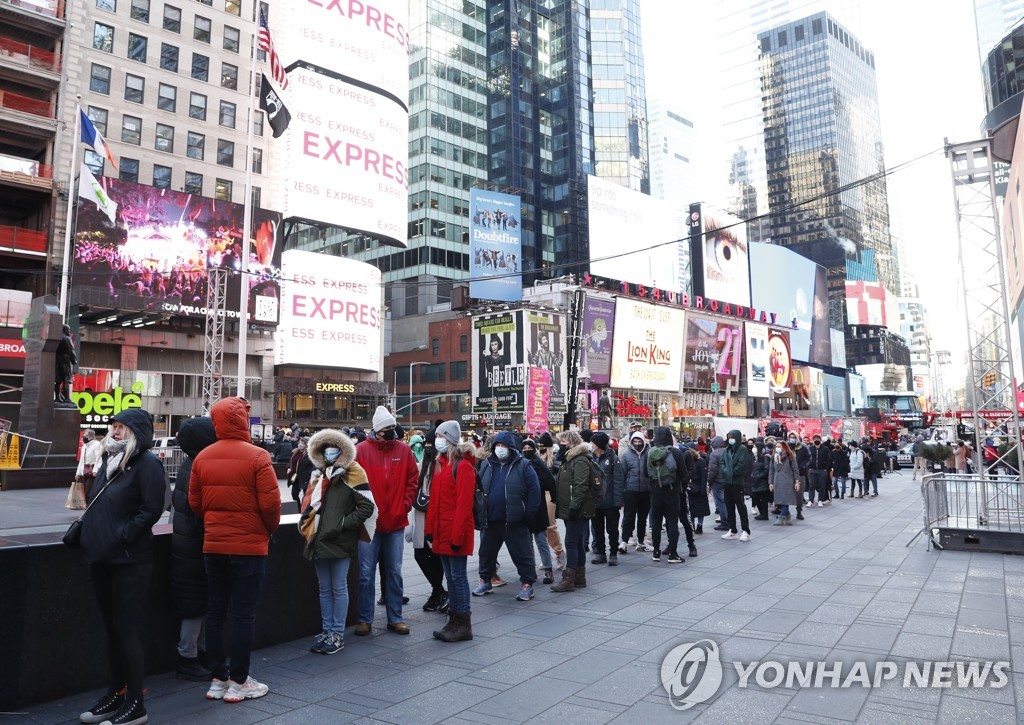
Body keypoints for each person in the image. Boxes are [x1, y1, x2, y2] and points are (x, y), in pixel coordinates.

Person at [189, 397, 281, 703]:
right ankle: (240, 681)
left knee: (215, 612)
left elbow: (195, 503)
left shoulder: (202, 457)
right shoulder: (258, 456)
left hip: (213, 545)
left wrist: (215, 524)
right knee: (243, 615)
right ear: (243, 420)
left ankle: (218, 679)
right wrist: (265, 530)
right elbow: (270, 505)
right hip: (250, 547)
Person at [77, 410, 166, 725]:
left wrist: (121, 536)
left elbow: (153, 509)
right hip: (102, 556)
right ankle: (115, 694)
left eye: (122, 427)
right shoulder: (109, 461)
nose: (115, 431)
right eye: (113, 426)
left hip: (130, 559)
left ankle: (135, 703)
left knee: (126, 630)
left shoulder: (147, 464)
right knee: (112, 630)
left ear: (137, 432)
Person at [301, 429, 375, 655]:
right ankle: (327, 631)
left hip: (340, 539)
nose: (329, 452)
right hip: (319, 539)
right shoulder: (319, 474)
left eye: (334, 448)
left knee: (338, 586)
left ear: (343, 450)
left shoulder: (354, 471)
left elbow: (367, 506)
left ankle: (337, 634)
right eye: (326, 449)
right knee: (325, 588)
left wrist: (341, 524)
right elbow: (310, 505)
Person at [354, 406, 419, 636]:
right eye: (388, 428)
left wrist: (405, 505)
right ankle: (364, 618)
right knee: (365, 573)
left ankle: (395, 617)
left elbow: (413, 480)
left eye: (394, 427)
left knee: (394, 571)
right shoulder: (360, 451)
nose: (393, 431)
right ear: (377, 429)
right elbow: (352, 484)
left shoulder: (404, 450)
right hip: (369, 524)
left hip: (395, 522)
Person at [171, 417, 217, 683]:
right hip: (194, 547)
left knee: (199, 603)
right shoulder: (199, 467)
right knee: (195, 605)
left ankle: (197, 653)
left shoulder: (190, 463)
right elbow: (199, 510)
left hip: (187, 545)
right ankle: (187, 657)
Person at [472, 431, 541, 601]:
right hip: (491, 519)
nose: (500, 449)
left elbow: (534, 490)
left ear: (510, 447)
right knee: (486, 553)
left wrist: (528, 514)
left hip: (515, 520)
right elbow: (478, 489)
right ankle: (486, 580)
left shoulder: (523, 465)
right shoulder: (486, 465)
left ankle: (527, 584)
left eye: (503, 446)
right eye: (497, 446)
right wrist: (478, 511)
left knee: (522, 553)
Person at [427, 420, 478, 642]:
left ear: (448, 439)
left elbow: (464, 506)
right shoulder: (442, 464)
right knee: (451, 576)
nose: (436, 439)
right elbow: (435, 502)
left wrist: (457, 536)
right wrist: (430, 530)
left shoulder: (462, 466)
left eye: (439, 436)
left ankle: (462, 621)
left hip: (454, 532)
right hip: (442, 531)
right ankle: (454, 620)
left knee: (458, 577)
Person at [408, 432, 449, 612]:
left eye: (432, 443)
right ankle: (438, 590)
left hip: (437, 516)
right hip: (420, 514)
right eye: (427, 443)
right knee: (421, 554)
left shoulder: (444, 465)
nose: (428, 447)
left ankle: (438, 592)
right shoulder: (420, 465)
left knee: (436, 554)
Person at [551, 430, 595, 591]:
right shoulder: (569, 459)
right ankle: (579, 577)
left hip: (578, 508)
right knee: (576, 543)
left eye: (562, 441)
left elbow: (580, 485)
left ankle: (569, 579)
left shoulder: (579, 460)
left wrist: (574, 506)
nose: (560, 444)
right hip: (571, 507)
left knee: (570, 542)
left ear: (570, 443)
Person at [645, 426, 693, 563]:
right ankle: (673, 553)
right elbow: (683, 474)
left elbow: (645, 473)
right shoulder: (676, 453)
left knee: (656, 523)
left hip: (655, 492)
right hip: (672, 492)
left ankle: (656, 552)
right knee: (672, 522)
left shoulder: (650, 452)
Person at [521, 437, 558, 583]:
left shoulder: (538, 464)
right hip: (524, 506)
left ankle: (548, 569)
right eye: (524, 449)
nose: (526, 451)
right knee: (527, 541)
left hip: (538, 505)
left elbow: (549, 482)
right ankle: (530, 569)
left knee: (540, 539)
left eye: (529, 448)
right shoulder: (520, 464)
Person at [589, 432, 625, 566]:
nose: (591, 445)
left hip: (610, 501)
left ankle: (613, 553)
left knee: (612, 529)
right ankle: (601, 553)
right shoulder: (590, 458)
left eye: (593, 443)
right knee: (597, 529)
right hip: (595, 501)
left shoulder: (613, 458)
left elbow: (618, 480)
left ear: (599, 445)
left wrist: (617, 501)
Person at [534, 433, 566, 571]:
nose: (541, 449)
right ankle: (548, 556)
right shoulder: (534, 458)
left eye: (543, 446)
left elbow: (558, 478)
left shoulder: (555, 459)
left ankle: (559, 552)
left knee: (549, 526)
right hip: (537, 493)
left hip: (550, 493)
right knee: (539, 528)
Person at [717, 429, 752, 542]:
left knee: (741, 506)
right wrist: (726, 471)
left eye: (732, 437)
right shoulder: (727, 450)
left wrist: (730, 472)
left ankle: (745, 531)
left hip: (737, 482)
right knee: (729, 506)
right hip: (727, 482)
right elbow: (722, 462)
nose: (730, 439)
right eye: (729, 437)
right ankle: (732, 530)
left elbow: (741, 465)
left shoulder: (742, 449)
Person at [619, 431, 651, 552]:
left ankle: (641, 541)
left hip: (645, 490)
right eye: (635, 441)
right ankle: (624, 541)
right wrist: (623, 490)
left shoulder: (649, 453)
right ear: (631, 442)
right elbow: (623, 473)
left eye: (639, 441)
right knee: (628, 517)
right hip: (630, 490)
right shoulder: (626, 455)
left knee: (642, 518)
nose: (637, 443)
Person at [769, 440, 801, 525]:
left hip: (787, 481)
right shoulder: (774, 456)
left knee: (785, 500)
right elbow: (771, 470)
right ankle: (787, 517)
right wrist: (770, 482)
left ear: (784, 447)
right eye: (776, 446)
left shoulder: (790, 456)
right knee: (780, 500)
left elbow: (795, 469)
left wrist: (797, 481)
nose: (777, 448)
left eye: (779, 446)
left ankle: (782, 517)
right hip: (777, 481)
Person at [687, 445, 711, 534]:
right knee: (692, 508)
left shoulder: (700, 462)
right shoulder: (692, 462)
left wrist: (703, 489)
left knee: (700, 509)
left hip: (698, 488)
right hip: (691, 489)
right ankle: (693, 525)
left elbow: (704, 476)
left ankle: (699, 526)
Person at [706, 435, 729, 530]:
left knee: (720, 502)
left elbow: (713, 470)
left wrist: (709, 482)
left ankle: (725, 522)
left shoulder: (714, 454)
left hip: (717, 481)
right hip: (727, 480)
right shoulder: (728, 451)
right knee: (727, 501)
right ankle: (729, 521)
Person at [76, 428, 103, 498]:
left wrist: (95, 470)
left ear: (91, 436)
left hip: (92, 470)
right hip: (84, 470)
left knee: (87, 491)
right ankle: (86, 505)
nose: (83, 437)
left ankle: (88, 506)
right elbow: (81, 460)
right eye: (83, 435)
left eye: (85, 435)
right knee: (84, 490)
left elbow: (99, 458)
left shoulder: (97, 444)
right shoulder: (84, 446)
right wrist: (78, 473)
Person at [749, 439, 771, 520]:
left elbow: (766, 469)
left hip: (762, 481)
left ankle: (764, 514)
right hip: (756, 481)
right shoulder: (756, 457)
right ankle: (762, 513)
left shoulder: (764, 457)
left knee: (763, 498)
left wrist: (758, 476)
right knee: (755, 497)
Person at [806, 434, 831, 507]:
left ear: (820, 440)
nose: (816, 440)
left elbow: (828, 460)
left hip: (822, 470)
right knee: (811, 486)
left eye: (818, 438)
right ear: (813, 440)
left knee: (821, 486)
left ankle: (820, 500)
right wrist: (809, 467)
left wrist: (826, 469)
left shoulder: (825, 448)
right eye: (815, 439)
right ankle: (811, 501)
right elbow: (807, 458)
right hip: (812, 470)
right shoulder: (810, 448)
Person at [55, 323, 77, 403]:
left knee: (58, 381)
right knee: (67, 380)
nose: (69, 331)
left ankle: (57, 398)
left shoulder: (57, 338)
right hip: (66, 362)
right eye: (68, 330)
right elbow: (71, 351)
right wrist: (74, 360)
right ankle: (67, 398)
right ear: (65, 330)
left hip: (57, 361)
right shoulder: (67, 338)